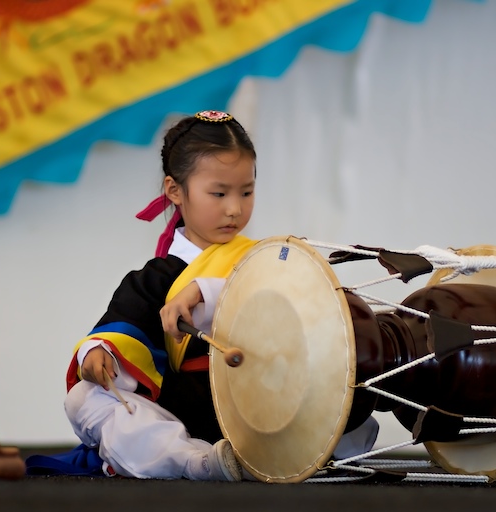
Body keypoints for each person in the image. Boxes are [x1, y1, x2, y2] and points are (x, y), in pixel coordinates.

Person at [62, 110, 378, 481]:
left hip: (267, 403)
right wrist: (97, 353)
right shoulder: (157, 277)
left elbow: (301, 305)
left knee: (352, 396)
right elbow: (123, 326)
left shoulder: (264, 259)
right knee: (85, 398)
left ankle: (288, 454)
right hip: (189, 409)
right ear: (175, 190)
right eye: (219, 193)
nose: (235, 208)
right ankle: (194, 461)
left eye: (246, 192)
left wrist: (204, 291)